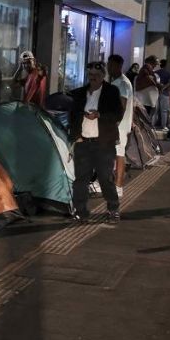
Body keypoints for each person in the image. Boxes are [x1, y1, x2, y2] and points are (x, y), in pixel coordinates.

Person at [69, 62, 124, 224]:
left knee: (105, 178)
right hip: (83, 143)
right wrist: (75, 136)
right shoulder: (80, 93)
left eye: (97, 76)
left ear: (103, 76)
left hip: (104, 144)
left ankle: (113, 208)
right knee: (81, 180)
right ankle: (80, 211)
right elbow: (73, 116)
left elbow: (117, 114)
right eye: (90, 75)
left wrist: (99, 115)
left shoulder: (111, 92)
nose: (93, 78)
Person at [107, 54, 133, 199]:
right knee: (113, 154)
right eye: (108, 65)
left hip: (119, 127)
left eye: (111, 65)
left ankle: (118, 186)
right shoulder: (119, 82)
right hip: (118, 126)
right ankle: (111, 183)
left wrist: (114, 123)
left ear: (119, 66)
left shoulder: (122, 83)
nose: (108, 68)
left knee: (119, 155)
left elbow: (121, 105)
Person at [156, 59, 170, 131]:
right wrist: (164, 88)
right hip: (165, 94)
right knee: (164, 111)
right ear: (166, 65)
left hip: (156, 93)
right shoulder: (168, 73)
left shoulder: (155, 72)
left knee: (155, 110)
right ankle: (163, 126)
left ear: (160, 65)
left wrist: (159, 87)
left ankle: (153, 125)